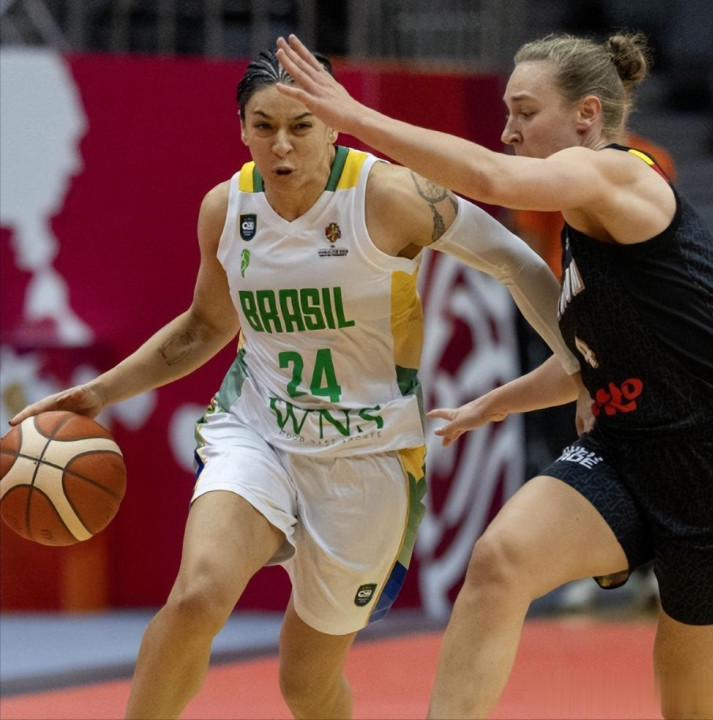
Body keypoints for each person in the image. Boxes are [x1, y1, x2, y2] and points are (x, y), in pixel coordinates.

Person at [9, 48, 579, 719]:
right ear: (242, 129)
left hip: (368, 457)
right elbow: (203, 328)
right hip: (259, 430)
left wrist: (582, 366)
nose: (282, 145)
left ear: (333, 124)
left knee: (305, 683)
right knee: (198, 595)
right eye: (265, 126)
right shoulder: (227, 208)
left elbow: (514, 261)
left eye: (301, 126)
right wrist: (99, 394)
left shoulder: (391, 196)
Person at [276, 31, 713, 720]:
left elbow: (488, 179)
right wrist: (495, 403)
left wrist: (353, 116)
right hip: (627, 447)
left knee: (690, 701)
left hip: (705, 462)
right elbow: (594, 360)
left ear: (587, 115)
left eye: (525, 112)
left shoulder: (620, 176)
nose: (509, 132)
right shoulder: (578, 218)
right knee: (500, 560)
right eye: (508, 113)